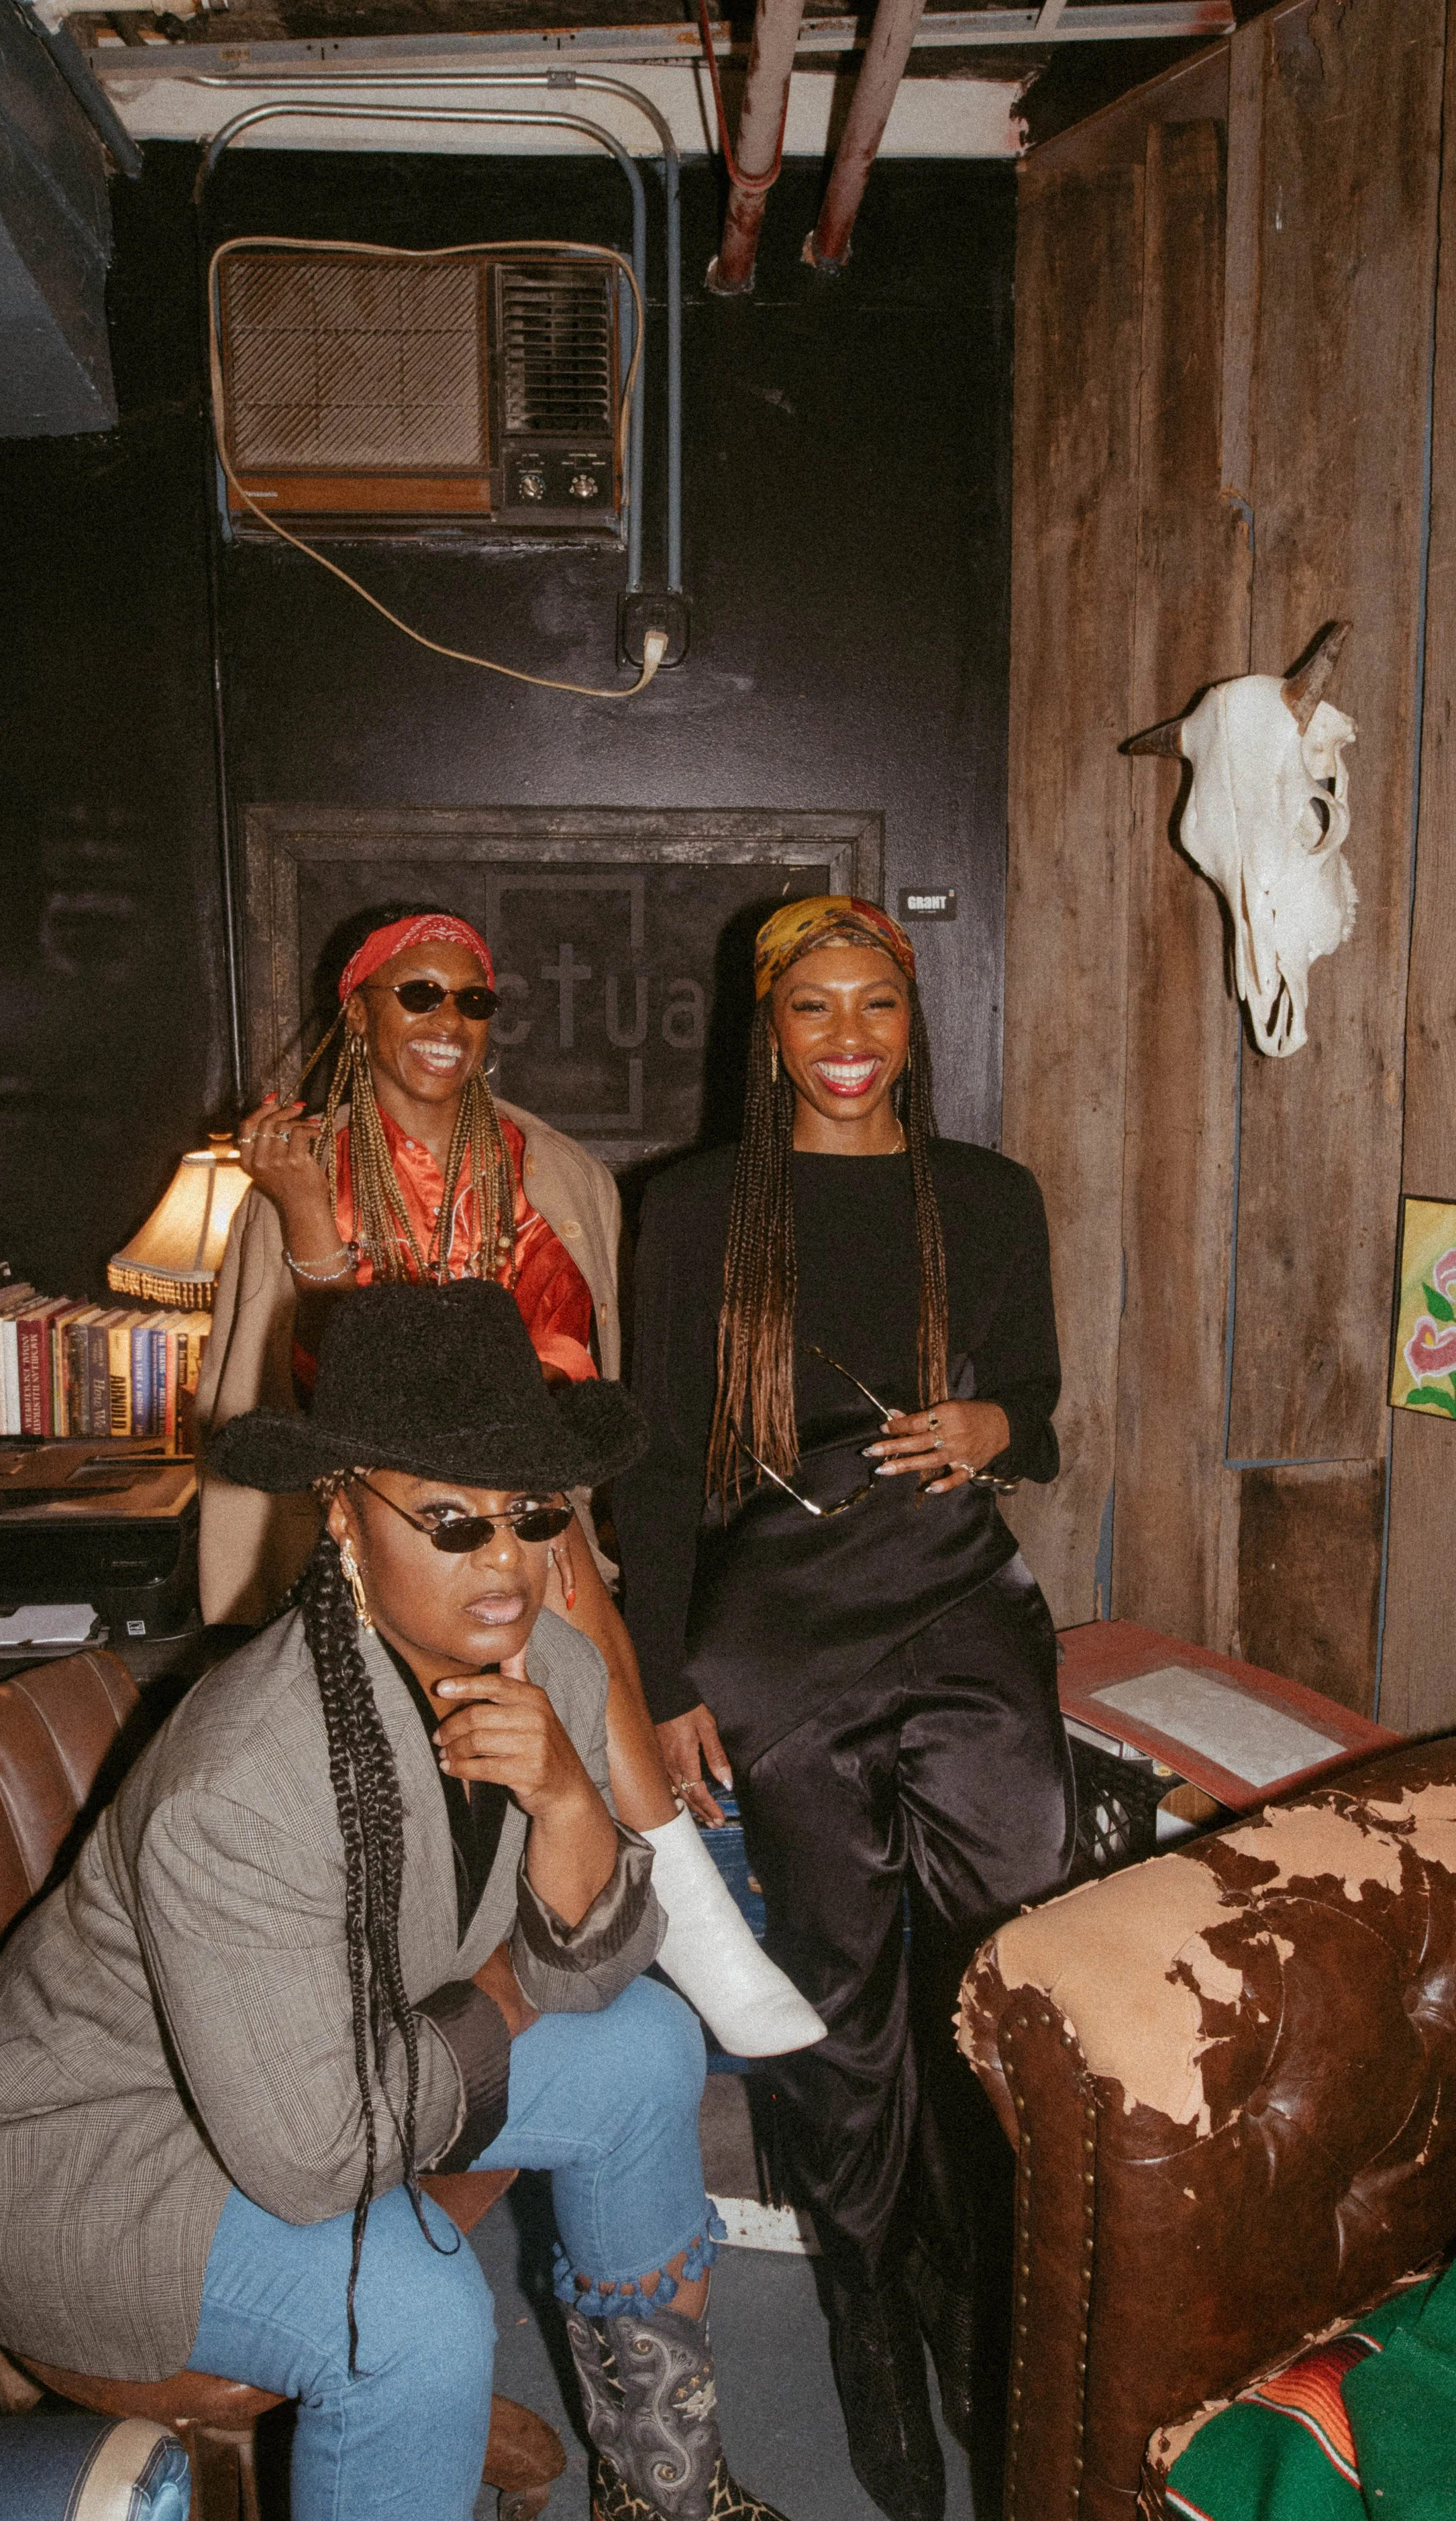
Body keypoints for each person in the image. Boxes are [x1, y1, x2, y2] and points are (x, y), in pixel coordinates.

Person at [0, 1280, 790, 2521]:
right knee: (417, 2314)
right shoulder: (241, 1785)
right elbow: (316, 2160)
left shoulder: (553, 1663)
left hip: (347, 2060)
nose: (504, 1564)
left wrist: (575, 1810)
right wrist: (504, 1986)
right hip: (102, 2164)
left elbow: (594, 1971)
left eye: (531, 1515)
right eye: (448, 1520)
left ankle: (665, 2487)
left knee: (647, 2045)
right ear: (341, 1518)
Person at [613, 896, 1074, 2521]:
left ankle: (977, 2303)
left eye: (875, 1003)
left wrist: (990, 1419)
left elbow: (1044, 1407)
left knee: (1003, 1979)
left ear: (910, 1022)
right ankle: (873, 2334)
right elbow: (658, 1465)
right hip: (775, 1620)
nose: (848, 1037)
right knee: (830, 2007)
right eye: (813, 1008)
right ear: (771, 1033)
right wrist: (661, 1683)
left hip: (958, 1602)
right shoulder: (686, 1211)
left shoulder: (987, 1197)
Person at [197, 907, 822, 2062]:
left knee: (551, 1550)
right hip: (357, 1515)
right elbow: (312, 1387)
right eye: (418, 995)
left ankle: (656, 1910)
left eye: (473, 1001)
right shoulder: (294, 1169)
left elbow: (576, 1372)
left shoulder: (552, 1170)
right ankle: (693, 1922)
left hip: (529, 1510)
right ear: (361, 1011)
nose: (449, 1022)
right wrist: (311, 1226)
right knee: (543, 1561)